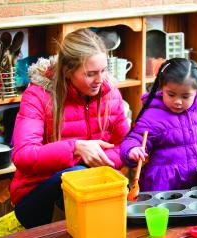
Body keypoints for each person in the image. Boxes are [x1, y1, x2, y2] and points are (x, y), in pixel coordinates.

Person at [10, 28, 129, 228]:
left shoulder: (110, 94)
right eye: (90, 74)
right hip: (36, 199)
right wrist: (75, 148)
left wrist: (100, 160)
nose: (100, 80)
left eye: (103, 70)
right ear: (67, 71)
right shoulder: (37, 96)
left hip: (92, 191)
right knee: (77, 174)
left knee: (85, 177)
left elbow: (123, 145)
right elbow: (23, 156)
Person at [120, 58, 197, 191]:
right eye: (171, 94)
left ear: (196, 91)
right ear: (162, 87)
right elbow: (135, 138)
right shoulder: (153, 116)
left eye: (185, 96)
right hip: (163, 186)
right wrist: (132, 150)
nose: (177, 101)